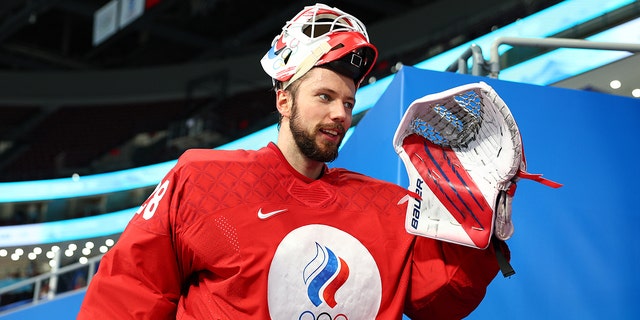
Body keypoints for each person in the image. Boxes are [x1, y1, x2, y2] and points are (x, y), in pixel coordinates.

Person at [78, 3, 507, 319]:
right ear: (284, 100)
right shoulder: (202, 179)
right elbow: (128, 294)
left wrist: (480, 217)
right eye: (324, 97)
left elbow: (441, 300)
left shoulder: (388, 207)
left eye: (348, 101)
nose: (340, 113)